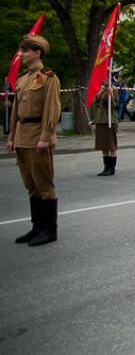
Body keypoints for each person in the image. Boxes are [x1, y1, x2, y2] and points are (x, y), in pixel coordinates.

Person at [6, 34, 61, 246]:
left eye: (25, 51)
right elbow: (16, 112)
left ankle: (49, 230)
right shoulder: (22, 79)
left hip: (38, 137)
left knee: (44, 184)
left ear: (36, 53)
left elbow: (52, 109)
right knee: (31, 185)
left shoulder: (49, 78)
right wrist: (11, 137)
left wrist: (45, 137)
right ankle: (37, 227)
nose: (21, 54)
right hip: (22, 136)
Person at [90, 81, 119, 176]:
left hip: (109, 118)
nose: (104, 79)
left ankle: (111, 168)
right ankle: (106, 167)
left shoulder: (114, 89)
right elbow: (96, 103)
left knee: (111, 143)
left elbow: (114, 106)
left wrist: (110, 95)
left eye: (106, 76)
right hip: (100, 118)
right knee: (103, 143)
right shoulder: (101, 89)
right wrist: (94, 119)